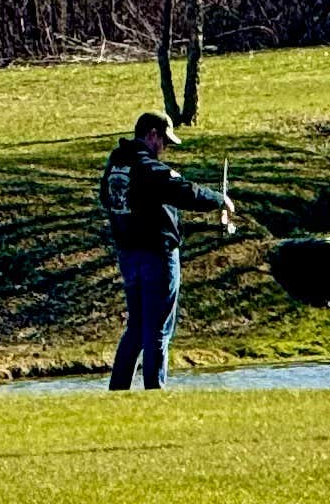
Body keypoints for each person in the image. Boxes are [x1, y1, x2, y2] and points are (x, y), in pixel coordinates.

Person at [100, 109, 234, 392]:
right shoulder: (147, 167)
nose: (164, 149)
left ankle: (118, 389)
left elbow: (108, 199)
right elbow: (183, 191)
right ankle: (155, 391)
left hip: (128, 254)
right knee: (159, 329)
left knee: (136, 328)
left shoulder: (116, 165)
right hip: (157, 256)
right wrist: (219, 200)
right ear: (152, 135)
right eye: (164, 142)